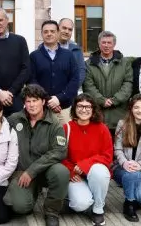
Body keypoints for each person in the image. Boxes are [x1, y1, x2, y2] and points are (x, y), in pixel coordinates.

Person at [4, 84, 68, 226]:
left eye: (35, 100)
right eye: (28, 101)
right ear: (24, 103)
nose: (32, 105)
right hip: (21, 172)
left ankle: (51, 211)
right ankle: (32, 193)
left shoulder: (55, 124)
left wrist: (32, 171)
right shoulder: (14, 119)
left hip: (45, 171)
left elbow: (59, 151)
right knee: (20, 207)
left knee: (61, 172)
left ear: (43, 101)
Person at [62, 93, 113, 226]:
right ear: (74, 108)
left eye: (87, 106)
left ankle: (98, 209)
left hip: (94, 173)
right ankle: (76, 200)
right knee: (80, 204)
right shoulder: (66, 128)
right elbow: (60, 156)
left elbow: (107, 156)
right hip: (75, 174)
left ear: (93, 109)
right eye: (80, 106)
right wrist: (72, 171)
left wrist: (85, 164)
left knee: (100, 170)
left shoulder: (102, 128)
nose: (84, 110)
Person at [113, 94, 141, 222]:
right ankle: (129, 204)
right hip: (122, 168)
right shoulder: (122, 124)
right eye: (136, 107)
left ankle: (133, 195)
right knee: (132, 175)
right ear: (131, 109)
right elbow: (117, 149)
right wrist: (125, 163)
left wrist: (140, 165)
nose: (140, 110)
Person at [82, 31, 133, 134]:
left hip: (120, 114)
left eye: (109, 43)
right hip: (97, 114)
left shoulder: (125, 63)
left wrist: (115, 100)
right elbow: (88, 86)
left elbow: (128, 84)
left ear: (114, 44)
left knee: (119, 147)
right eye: (103, 42)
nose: (106, 45)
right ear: (99, 44)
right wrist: (102, 100)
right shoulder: (89, 64)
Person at [30, 20, 79, 125]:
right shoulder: (34, 56)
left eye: (52, 31)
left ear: (57, 33)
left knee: (65, 138)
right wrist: (48, 100)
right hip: (41, 109)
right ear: (42, 34)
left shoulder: (68, 55)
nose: (49, 34)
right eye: (46, 31)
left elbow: (74, 80)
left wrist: (59, 98)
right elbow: (32, 81)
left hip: (64, 108)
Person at [58, 18, 86, 88]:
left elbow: (81, 71)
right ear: (58, 28)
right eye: (64, 28)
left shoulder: (77, 50)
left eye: (70, 29)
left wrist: (71, 89)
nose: (67, 31)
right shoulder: (46, 47)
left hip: (70, 94)